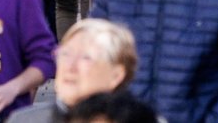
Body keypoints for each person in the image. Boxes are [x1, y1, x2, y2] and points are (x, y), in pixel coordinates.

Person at [8, 19, 138, 123]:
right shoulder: (23, 120)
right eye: (65, 54)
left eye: (86, 57)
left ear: (116, 75)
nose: (70, 66)